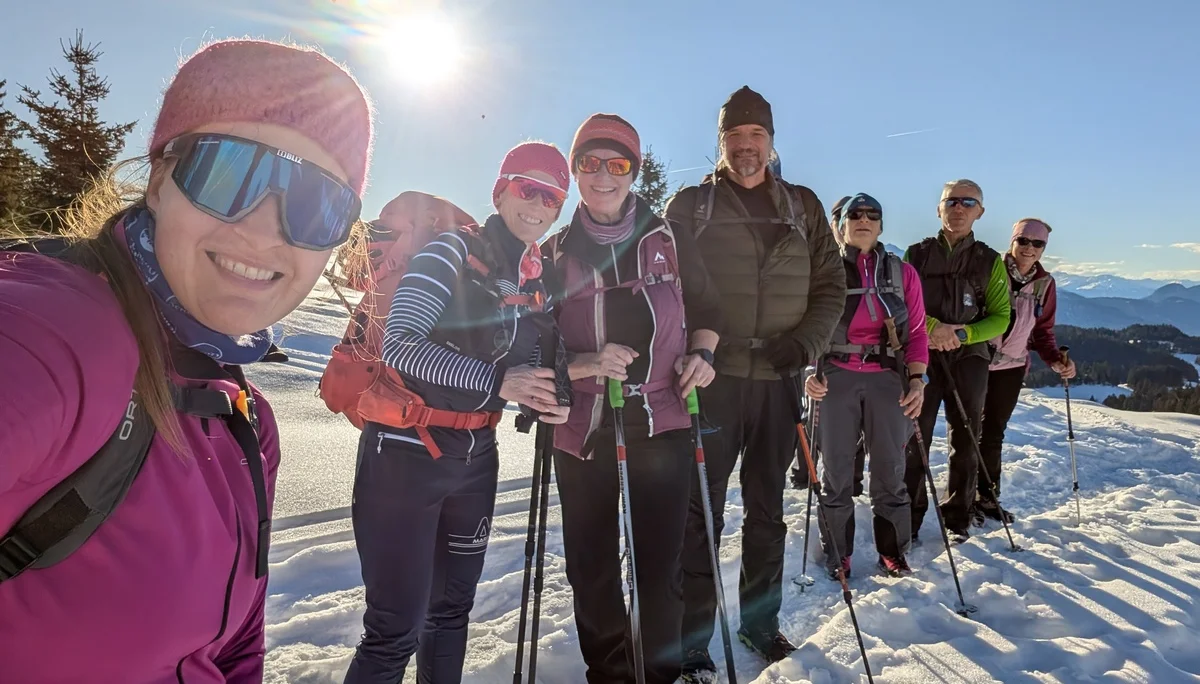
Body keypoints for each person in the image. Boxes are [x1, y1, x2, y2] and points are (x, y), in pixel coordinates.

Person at [0, 39, 373, 682]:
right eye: (227, 172)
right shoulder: (55, 334)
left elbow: (235, 646)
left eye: (317, 204)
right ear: (159, 179)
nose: (264, 229)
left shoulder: (243, 419)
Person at [343, 142, 572, 683]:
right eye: (526, 187)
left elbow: (530, 367)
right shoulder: (448, 252)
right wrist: (500, 381)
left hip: (475, 458)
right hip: (404, 455)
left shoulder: (530, 284)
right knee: (394, 628)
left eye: (552, 195)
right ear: (500, 191)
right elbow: (399, 344)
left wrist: (552, 392)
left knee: (448, 616)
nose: (537, 203)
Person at [665, 86, 846, 674]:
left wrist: (806, 344)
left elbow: (831, 288)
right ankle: (692, 638)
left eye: (756, 136)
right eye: (735, 136)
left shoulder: (803, 205)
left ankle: (760, 626)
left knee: (769, 510)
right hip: (708, 379)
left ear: (772, 141)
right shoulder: (691, 206)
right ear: (720, 142)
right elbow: (667, 292)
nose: (746, 147)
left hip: (779, 379)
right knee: (701, 511)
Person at [545, 113, 724, 684]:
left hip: (663, 417)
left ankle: (660, 674)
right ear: (575, 171)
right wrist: (582, 364)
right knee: (591, 567)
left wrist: (704, 354)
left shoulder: (670, 240)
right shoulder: (552, 254)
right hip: (581, 424)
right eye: (589, 163)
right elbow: (527, 346)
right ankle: (610, 673)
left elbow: (710, 310)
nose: (602, 175)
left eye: (616, 163)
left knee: (659, 567)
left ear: (634, 172)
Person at [802, 194, 929, 579]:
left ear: (881, 226)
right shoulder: (821, 270)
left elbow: (918, 332)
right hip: (834, 376)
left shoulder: (901, 272)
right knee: (836, 471)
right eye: (854, 215)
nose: (864, 220)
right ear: (839, 224)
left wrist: (917, 380)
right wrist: (808, 372)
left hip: (887, 377)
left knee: (890, 469)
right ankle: (838, 554)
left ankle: (892, 551)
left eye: (872, 215)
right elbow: (803, 327)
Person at [902, 179, 1012, 543]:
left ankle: (958, 516)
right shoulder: (915, 255)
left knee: (966, 438)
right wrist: (934, 328)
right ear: (939, 208)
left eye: (968, 202)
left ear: (980, 212)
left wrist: (960, 334)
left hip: (970, 357)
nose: (959, 209)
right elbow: (901, 302)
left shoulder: (989, 261)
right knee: (915, 436)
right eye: (952, 201)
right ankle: (909, 517)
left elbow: (1000, 317)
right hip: (922, 355)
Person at [977, 218, 1075, 524]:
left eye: (1038, 244)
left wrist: (1055, 359)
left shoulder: (1045, 284)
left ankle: (988, 498)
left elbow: (1042, 331)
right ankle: (960, 498)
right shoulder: (989, 269)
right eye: (1023, 241)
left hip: (1012, 366)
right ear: (1012, 241)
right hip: (976, 360)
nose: (1029, 249)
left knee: (993, 433)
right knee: (966, 430)